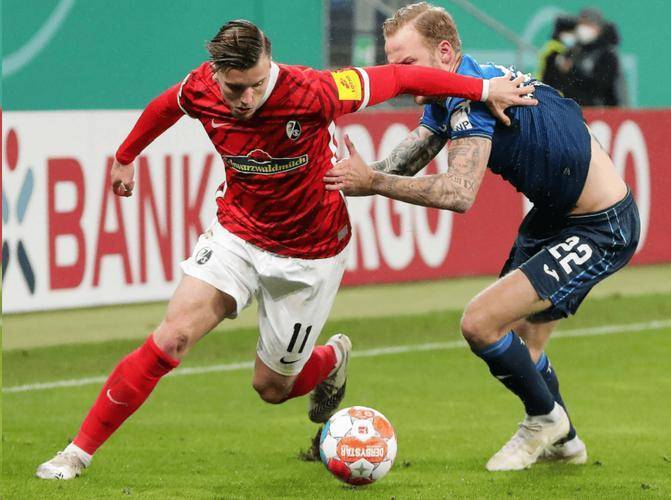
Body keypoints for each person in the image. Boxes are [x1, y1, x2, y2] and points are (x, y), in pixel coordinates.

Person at [35, 19, 535, 480]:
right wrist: (126, 156)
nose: (247, 98)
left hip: (310, 253)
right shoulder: (201, 88)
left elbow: (401, 78)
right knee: (173, 336)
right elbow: (166, 105)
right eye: (235, 88)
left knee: (272, 388)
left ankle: (330, 358)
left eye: (257, 83)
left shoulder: (315, 90)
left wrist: (482, 89)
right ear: (216, 74)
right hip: (238, 234)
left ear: (269, 63)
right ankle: (76, 453)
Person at [324, 2, 639, 471]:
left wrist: (372, 182)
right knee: (522, 343)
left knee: (480, 323)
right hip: (554, 218)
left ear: (444, 53)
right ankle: (566, 441)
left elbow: (458, 193)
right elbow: (400, 163)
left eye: (406, 63)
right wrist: (346, 178)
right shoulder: (462, 87)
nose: (399, 76)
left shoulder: (472, 98)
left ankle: (544, 420)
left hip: (600, 226)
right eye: (393, 66)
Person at [560, 8, 626, 106]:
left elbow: (600, 87)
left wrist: (573, 70)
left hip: (602, 111)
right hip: (575, 109)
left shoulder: (607, 55)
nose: (582, 28)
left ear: (599, 28)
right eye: (581, 23)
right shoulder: (575, 50)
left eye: (588, 24)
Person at [536, 15, 577, 94]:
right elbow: (552, 76)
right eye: (570, 32)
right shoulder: (555, 51)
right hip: (549, 93)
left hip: (545, 91)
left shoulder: (553, 47)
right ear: (561, 33)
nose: (573, 36)